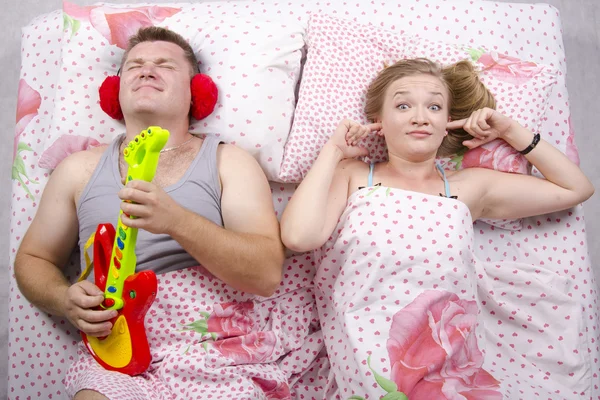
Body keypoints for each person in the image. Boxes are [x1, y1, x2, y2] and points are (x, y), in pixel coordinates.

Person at [280, 58, 594, 399]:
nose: (420, 116)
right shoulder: (352, 174)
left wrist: (509, 131)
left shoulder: (468, 187)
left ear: (447, 122)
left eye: (434, 106)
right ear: (378, 122)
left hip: (447, 352)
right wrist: (332, 151)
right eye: (403, 105)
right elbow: (299, 237)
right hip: (370, 343)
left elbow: (575, 189)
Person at [14, 27, 286, 399]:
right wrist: (64, 299)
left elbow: (267, 274)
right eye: (134, 66)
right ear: (115, 91)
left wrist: (177, 221)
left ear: (197, 93)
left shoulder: (230, 162)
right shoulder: (76, 170)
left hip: (217, 350)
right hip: (113, 350)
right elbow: (33, 258)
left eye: (165, 65)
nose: (146, 70)